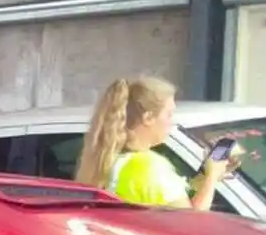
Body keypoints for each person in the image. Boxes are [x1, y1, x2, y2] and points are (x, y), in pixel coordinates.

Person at [76, 75, 235, 209]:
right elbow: (192, 223)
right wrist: (211, 177)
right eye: (169, 114)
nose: (171, 122)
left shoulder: (112, 158)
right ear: (148, 118)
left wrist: (201, 181)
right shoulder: (149, 166)